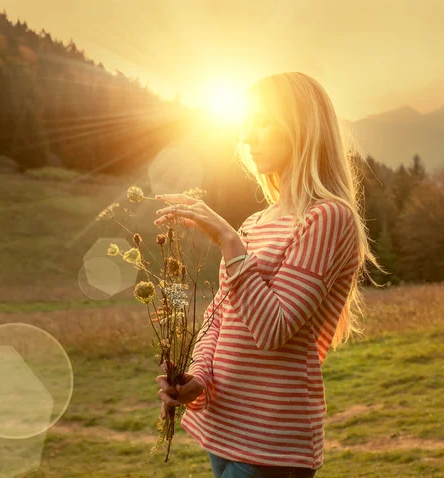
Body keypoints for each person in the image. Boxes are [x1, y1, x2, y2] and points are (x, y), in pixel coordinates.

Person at [154, 72, 384, 478]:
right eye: (245, 126)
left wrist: (227, 238)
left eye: (261, 122)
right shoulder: (255, 222)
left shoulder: (327, 218)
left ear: (301, 127)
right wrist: (199, 379)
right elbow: (219, 319)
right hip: (222, 427)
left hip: (272, 442)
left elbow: (273, 329)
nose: (247, 138)